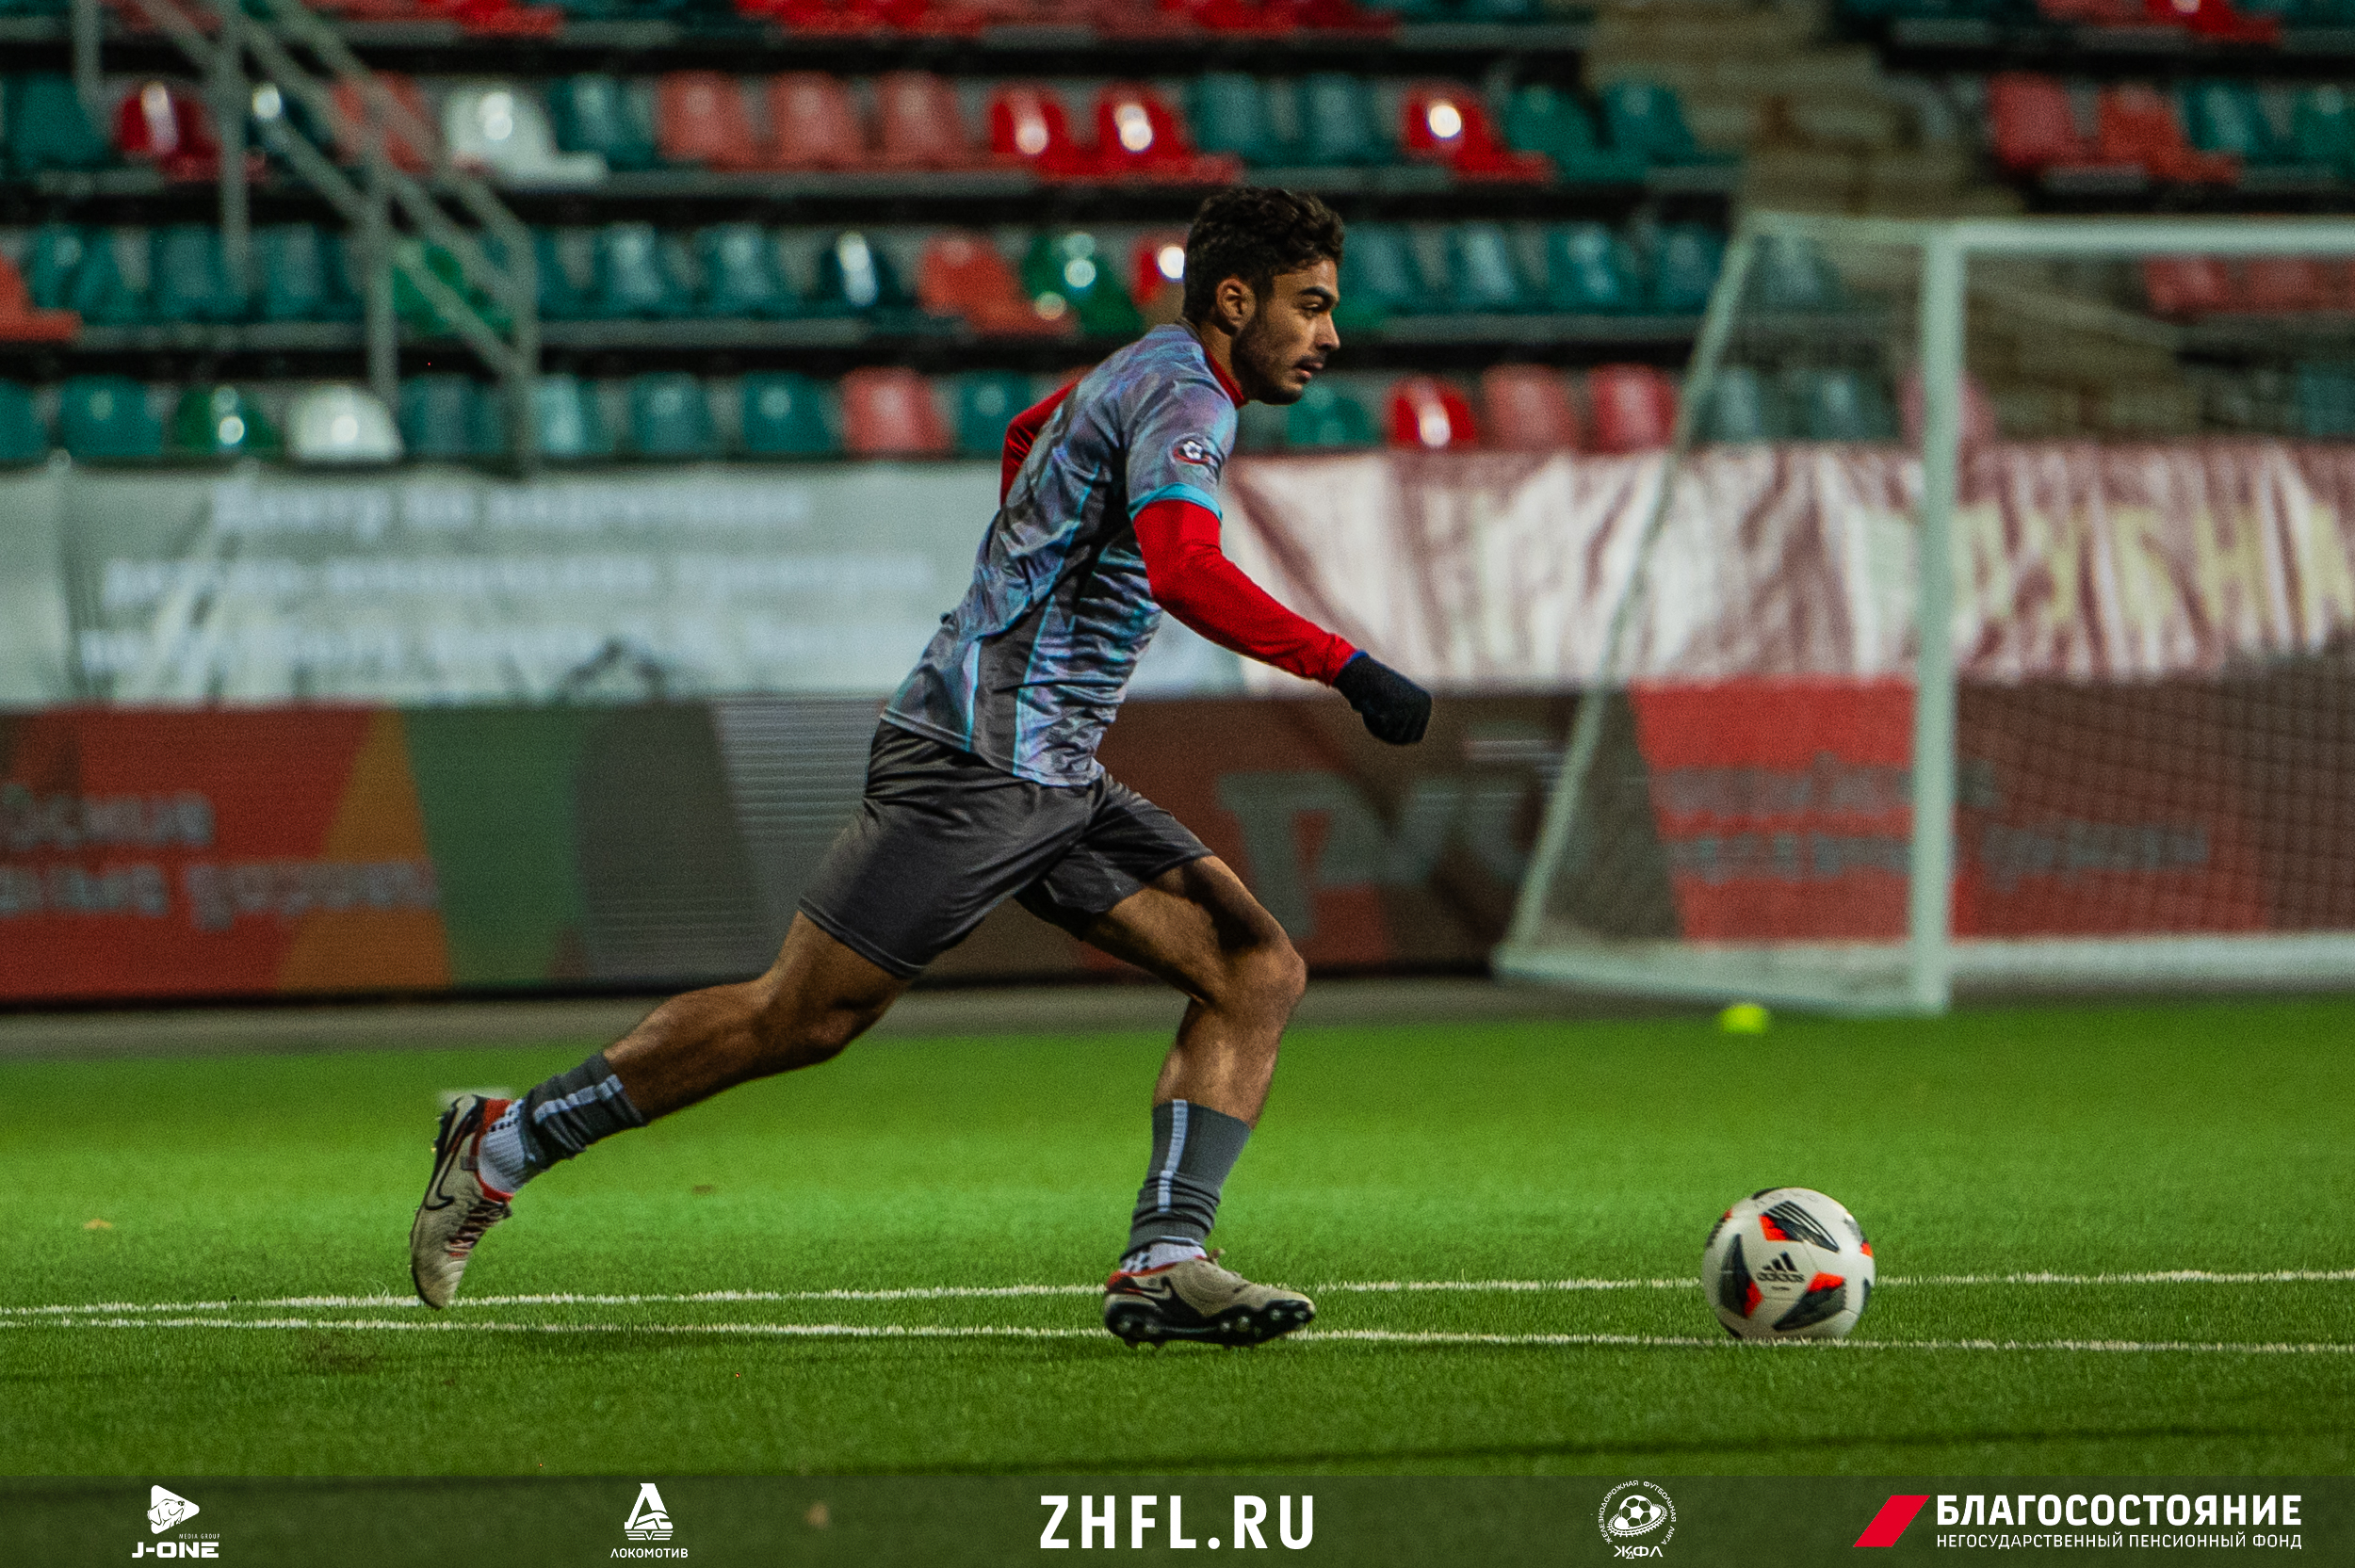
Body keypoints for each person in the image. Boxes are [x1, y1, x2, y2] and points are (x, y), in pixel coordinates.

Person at [410, 187, 1431, 1347]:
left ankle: (1163, 1262)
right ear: (1234, 301)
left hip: (1046, 765)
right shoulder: (1186, 393)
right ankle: (504, 1141)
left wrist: (1021, 575)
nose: (1328, 334)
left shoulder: (1139, 369)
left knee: (1254, 968)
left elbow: (1026, 435)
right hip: (976, 759)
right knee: (801, 1018)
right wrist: (1346, 667)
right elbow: (1183, 568)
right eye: (1310, 305)